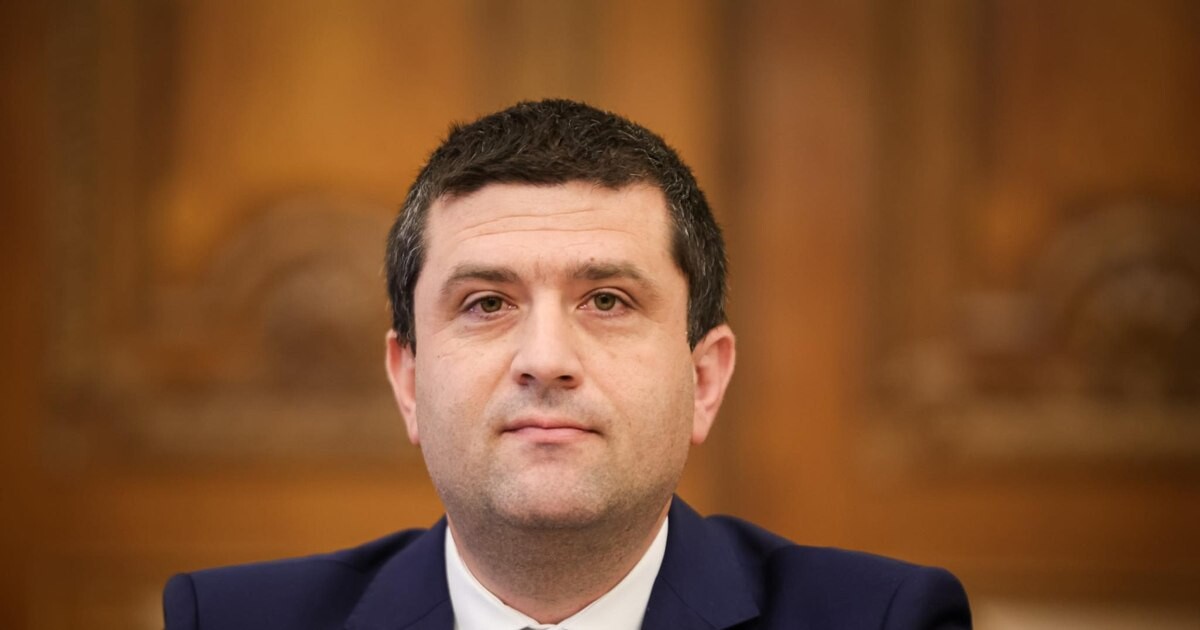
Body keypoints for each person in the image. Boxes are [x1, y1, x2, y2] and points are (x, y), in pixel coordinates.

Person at [163, 99, 971, 629]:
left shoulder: (885, 620)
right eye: (487, 303)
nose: (545, 360)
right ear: (407, 381)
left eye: (607, 301)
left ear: (704, 380)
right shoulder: (230, 621)